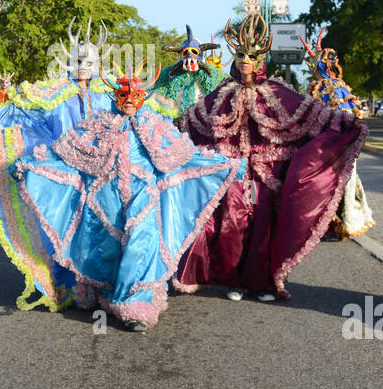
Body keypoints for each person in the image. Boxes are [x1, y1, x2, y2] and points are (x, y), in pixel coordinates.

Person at [12, 69, 245, 331]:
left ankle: (136, 305)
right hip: (103, 200)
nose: (129, 101)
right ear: (115, 96)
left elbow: (184, 155)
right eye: (123, 95)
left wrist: (225, 165)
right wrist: (30, 166)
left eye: (135, 95)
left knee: (141, 242)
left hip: (143, 196)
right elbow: (65, 154)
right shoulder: (97, 125)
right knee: (108, 249)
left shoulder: (155, 126)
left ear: (143, 97)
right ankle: (108, 291)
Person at [0, 20, 178, 310]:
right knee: (66, 226)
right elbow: (27, 113)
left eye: (90, 60)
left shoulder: (108, 93)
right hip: (67, 167)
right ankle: (71, 283)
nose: (84, 65)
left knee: (103, 230)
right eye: (78, 60)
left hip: (103, 172)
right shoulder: (57, 93)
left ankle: (106, 285)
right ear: (69, 62)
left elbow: (135, 107)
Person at [176, 13, 367, 302]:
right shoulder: (223, 93)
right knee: (232, 222)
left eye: (251, 56)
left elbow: (313, 113)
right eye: (240, 55)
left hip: (266, 174)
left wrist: (345, 122)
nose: (245, 61)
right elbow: (192, 119)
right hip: (233, 171)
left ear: (261, 60)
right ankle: (234, 282)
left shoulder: (277, 93)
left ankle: (262, 283)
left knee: (263, 224)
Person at [300, 26, 375, 238]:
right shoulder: (335, 85)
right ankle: (338, 222)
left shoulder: (328, 87)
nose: (312, 69)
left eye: (314, 65)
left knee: (336, 182)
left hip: (333, 144)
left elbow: (344, 115)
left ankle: (339, 222)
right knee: (342, 181)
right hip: (333, 143)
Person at [150, 25, 229, 117]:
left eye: (194, 52)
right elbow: (157, 93)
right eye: (186, 53)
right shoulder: (170, 73)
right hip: (175, 117)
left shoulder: (212, 74)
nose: (190, 57)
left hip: (204, 117)